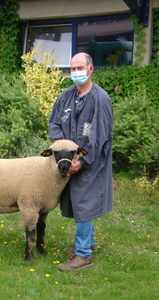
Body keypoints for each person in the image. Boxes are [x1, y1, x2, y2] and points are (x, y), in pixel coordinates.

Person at [48, 53, 113, 271]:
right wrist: (64, 153)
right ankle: (90, 243)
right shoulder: (65, 96)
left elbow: (100, 136)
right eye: (72, 68)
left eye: (79, 68)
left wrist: (83, 161)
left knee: (84, 203)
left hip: (91, 161)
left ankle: (83, 254)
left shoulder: (100, 99)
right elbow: (54, 124)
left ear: (91, 69)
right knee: (77, 202)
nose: (75, 72)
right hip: (69, 159)